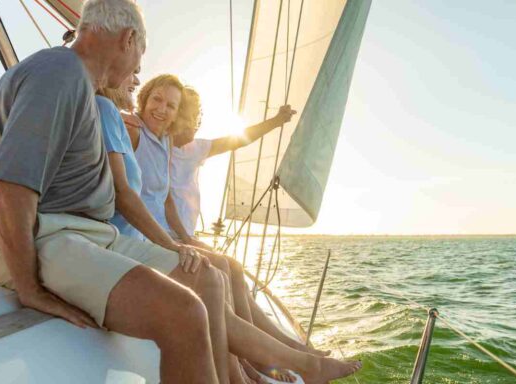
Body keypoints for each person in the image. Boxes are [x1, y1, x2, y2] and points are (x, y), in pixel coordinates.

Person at [0, 1, 225, 382]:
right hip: (44, 233)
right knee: (184, 312)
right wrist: (30, 289)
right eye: (140, 55)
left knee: (208, 278)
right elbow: (9, 186)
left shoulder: (80, 84)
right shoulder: (59, 73)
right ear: (129, 39)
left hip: (86, 234)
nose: (138, 68)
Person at [94, 77, 361, 383]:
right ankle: (255, 368)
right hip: (144, 240)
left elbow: (167, 197)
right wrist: (175, 242)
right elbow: (122, 185)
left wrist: (187, 238)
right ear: (143, 99)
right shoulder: (130, 128)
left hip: (162, 238)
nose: (163, 110)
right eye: (156, 100)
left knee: (223, 270)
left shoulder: (164, 142)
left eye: (172, 106)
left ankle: (267, 361)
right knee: (217, 272)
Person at [169, 86, 295, 239]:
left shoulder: (196, 148)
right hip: (163, 235)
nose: (193, 123)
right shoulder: (154, 144)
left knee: (229, 264)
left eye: (195, 117)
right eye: (186, 116)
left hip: (185, 236)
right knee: (224, 264)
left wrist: (276, 121)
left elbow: (238, 140)